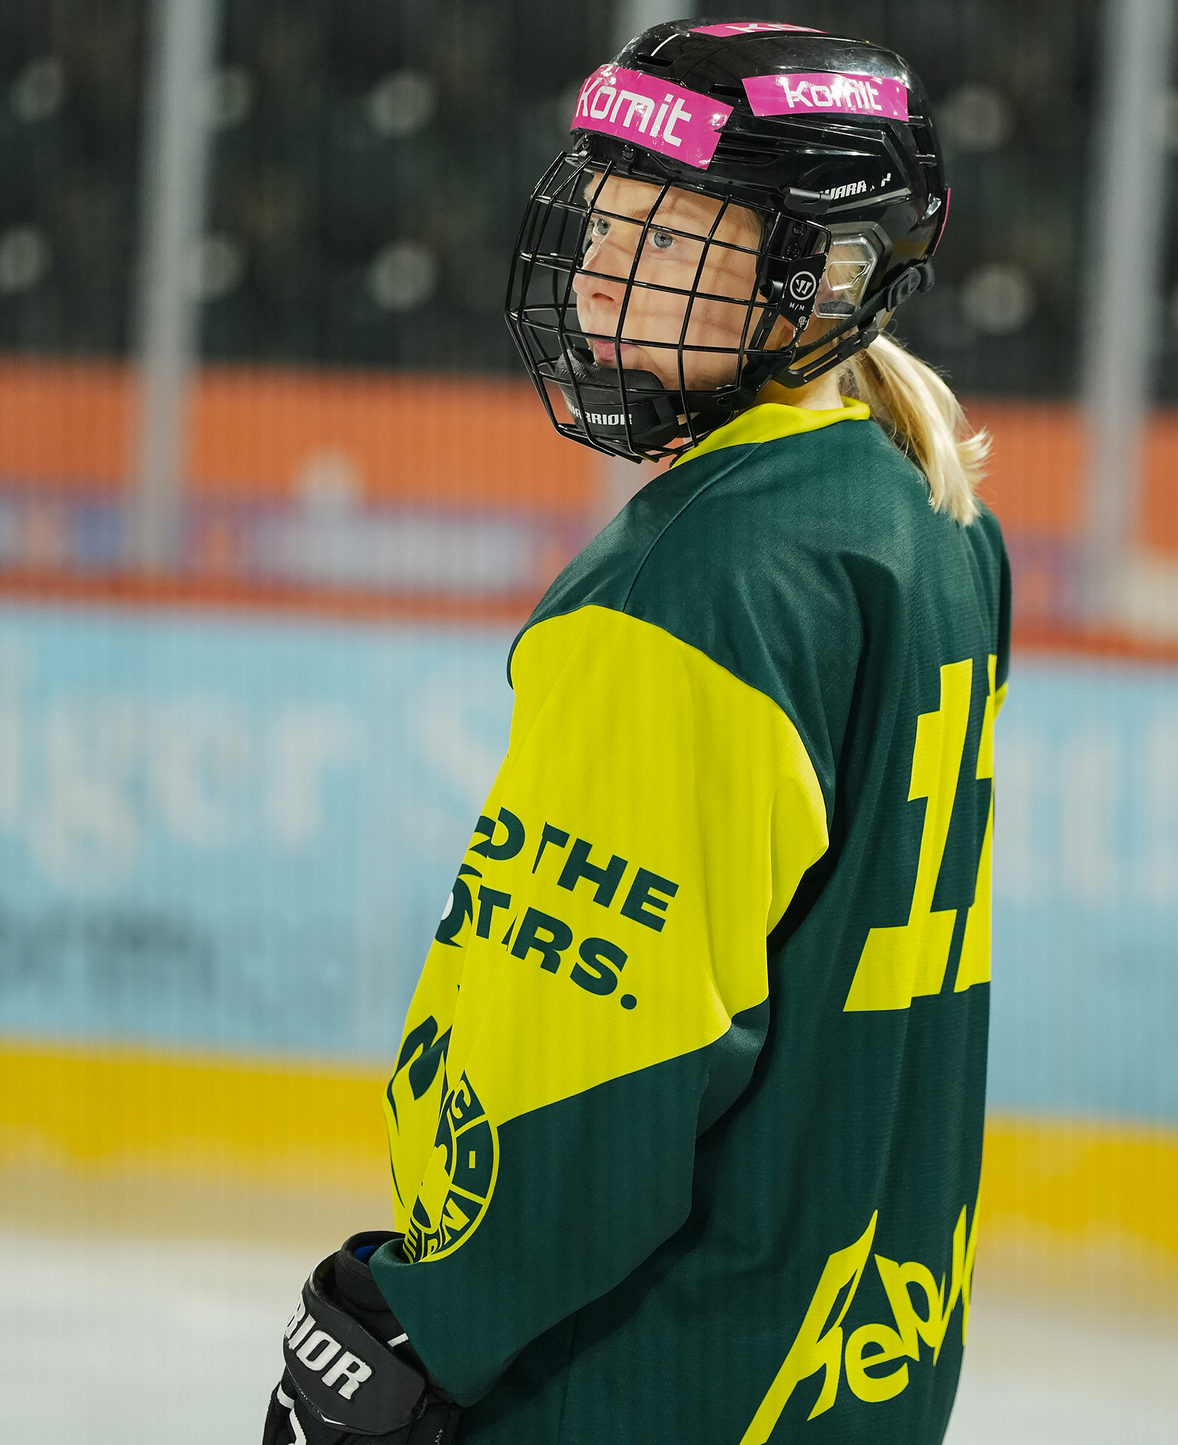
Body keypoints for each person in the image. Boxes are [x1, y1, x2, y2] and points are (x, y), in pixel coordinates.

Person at [263, 18, 1009, 1445]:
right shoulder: (922, 516)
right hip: (844, 1361)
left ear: (822, 279)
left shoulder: (705, 582)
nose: (602, 272)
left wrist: (425, 1320)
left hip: (635, 1377)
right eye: (605, 221)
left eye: (671, 245)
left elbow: (609, 1052)